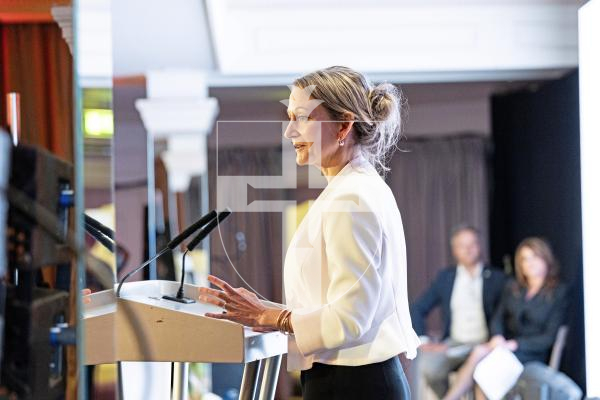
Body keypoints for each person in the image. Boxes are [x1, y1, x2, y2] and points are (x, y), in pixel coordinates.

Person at [198, 66, 420, 399]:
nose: (290, 131)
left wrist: (271, 316)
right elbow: (333, 303)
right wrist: (261, 310)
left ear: (343, 125)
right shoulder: (352, 188)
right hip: (349, 380)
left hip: (354, 385)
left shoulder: (351, 197)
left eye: (302, 118)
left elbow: (349, 319)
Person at [443, 237, 569, 400]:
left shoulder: (558, 292)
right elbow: (498, 319)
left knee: (485, 366)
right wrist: (497, 336)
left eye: (534, 257)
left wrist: (516, 344)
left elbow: (548, 337)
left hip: (530, 352)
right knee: (481, 356)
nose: (530, 263)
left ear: (545, 258)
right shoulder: (514, 287)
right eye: (525, 259)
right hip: (504, 347)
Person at [409, 226, 507, 399]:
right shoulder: (445, 278)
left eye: (472, 244)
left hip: (485, 344)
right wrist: (424, 340)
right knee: (429, 368)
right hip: (453, 344)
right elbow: (418, 308)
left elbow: (505, 313)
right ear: (454, 250)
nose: (468, 250)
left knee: (483, 374)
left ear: (479, 246)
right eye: (462, 245)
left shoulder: (497, 278)